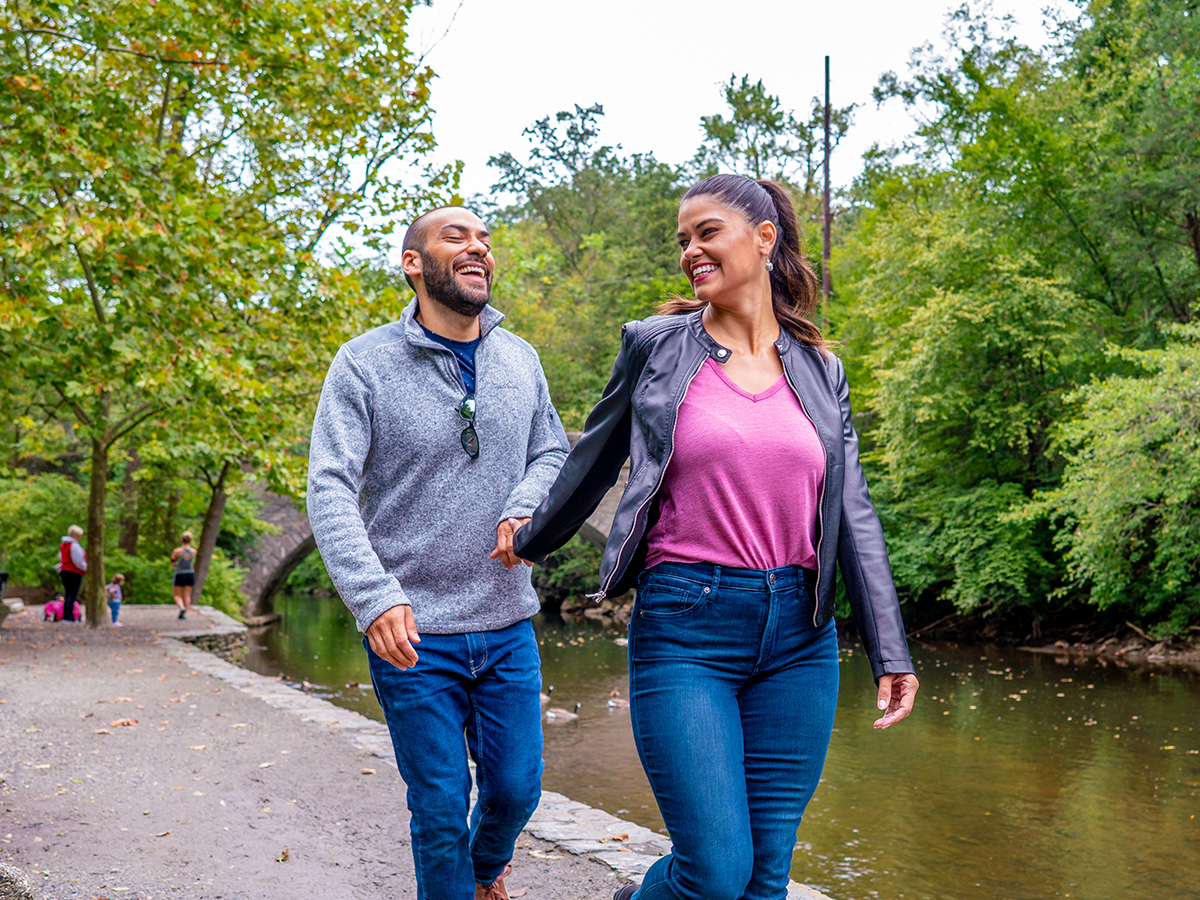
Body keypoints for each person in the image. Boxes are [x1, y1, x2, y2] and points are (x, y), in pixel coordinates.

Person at [514, 174, 921, 900]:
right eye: (682, 240)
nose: (690, 251)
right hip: (687, 623)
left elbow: (852, 511)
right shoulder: (656, 347)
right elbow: (594, 458)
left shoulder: (823, 370)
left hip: (801, 634)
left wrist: (891, 650)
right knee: (714, 873)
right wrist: (530, 538)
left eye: (707, 233)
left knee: (765, 880)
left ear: (764, 239)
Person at [307, 205, 569, 900]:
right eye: (457, 236)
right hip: (412, 630)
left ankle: (484, 877)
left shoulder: (520, 359)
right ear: (413, 263)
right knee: (440, 807)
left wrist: (524, 505)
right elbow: (329, 486)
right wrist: (373, 597)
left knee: (516, 793)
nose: (478, 246)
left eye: (484, 238)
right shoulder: (363, 363)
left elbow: (553, 452)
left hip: (506, 620)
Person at [55, 524, 87, 623]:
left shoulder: (63, 545)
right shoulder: (74, 546)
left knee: (68, 594)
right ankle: (69, 617)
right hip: (73, 572)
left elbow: (61, 557)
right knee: (72, 595)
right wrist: (86, 568)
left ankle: (66, 615)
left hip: (64, 571)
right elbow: (78, 561)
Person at [170, 532, 196, 620]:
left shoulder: (177, 551)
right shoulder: (194, 551)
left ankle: (181, 607)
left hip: (180, 573)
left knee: (177, 595)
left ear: (182, 540)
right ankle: (185, 614)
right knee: (187, 595)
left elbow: (172, 562)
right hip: (190, 574)